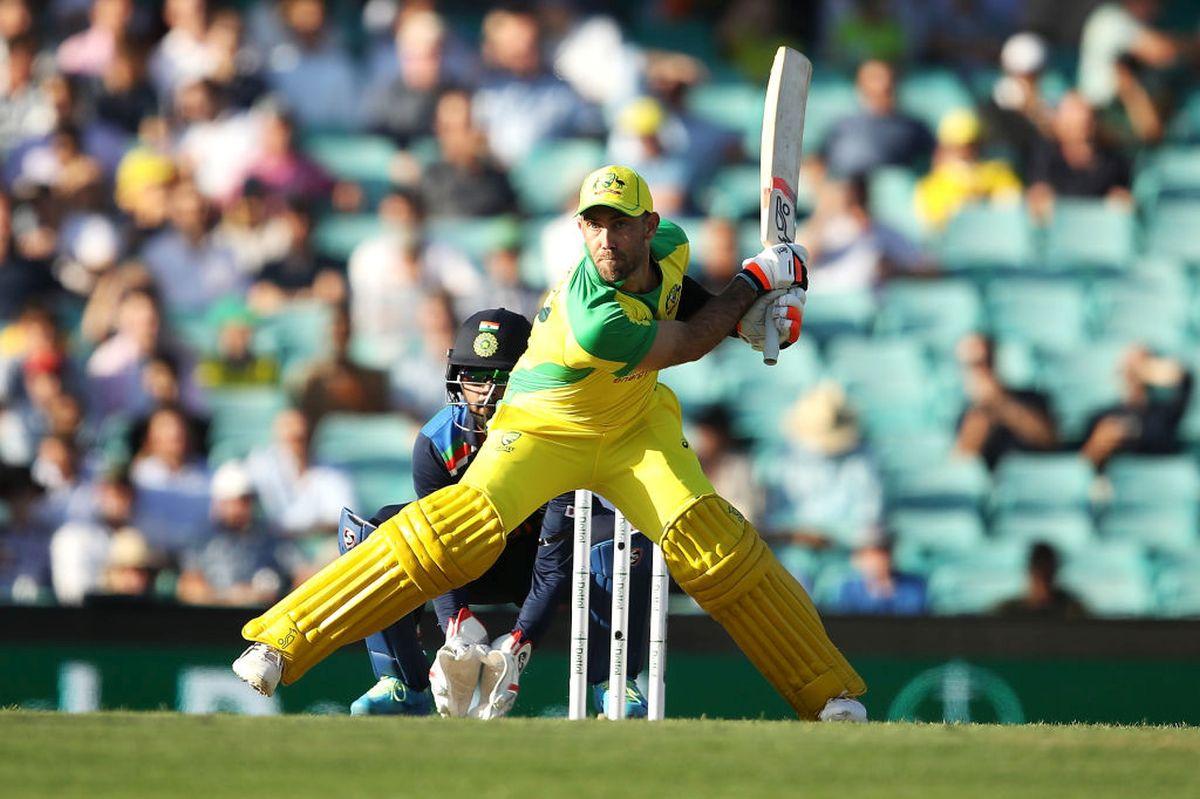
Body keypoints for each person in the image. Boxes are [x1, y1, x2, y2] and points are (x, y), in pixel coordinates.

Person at [233, 164, 867, 723]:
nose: (605, 240)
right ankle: (281, 641)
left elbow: (683, 301)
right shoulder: (593, 314)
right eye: (593, 225)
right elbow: (683, 343)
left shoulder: (671, 246)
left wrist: (749, 323)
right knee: (448, 533)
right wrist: (753, 287)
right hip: (542, 428)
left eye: (619, 225)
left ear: (649, 226)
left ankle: (829, 694)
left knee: (716, 548)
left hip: (634, 429)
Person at [339, 308, 653, 719]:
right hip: (470, 560)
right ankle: (400, 681)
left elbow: (554, 562)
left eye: (499, 380)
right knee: (382, 528)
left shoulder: (559, 437)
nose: (484, 397)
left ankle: (614, 683)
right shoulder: (438, 443)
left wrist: (521, 641)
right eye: (474, 377)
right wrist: (455, 625)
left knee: (618, 538)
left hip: (544, 562)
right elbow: (438, 545)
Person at [954, 333, 1057, 470]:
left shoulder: (1031, 398)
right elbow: (962, 462)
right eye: (973, 365)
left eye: (987, 361)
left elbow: (1049, 443)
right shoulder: (966, 412)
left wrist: (1000, 403)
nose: (983, 370)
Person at [819, 60, 935, 179]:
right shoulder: (841, 127)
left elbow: (936, 161)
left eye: (887, 82)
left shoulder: (914, 128)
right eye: (874, 78)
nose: (882, 84)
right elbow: (818, 162)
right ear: (860, 86)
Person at [1080, 346, 1193, 469]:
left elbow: (1186, 379)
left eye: (1141, 364)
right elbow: (1082, 465)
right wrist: (1100, 445)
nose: (1134, 370)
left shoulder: (1165, 413)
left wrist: (1150, 370)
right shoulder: (1101, 416)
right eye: (1129, 365)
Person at [1026, 92, 1132, 222]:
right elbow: (1038, 192)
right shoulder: (1045, 154)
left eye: (1085, 119)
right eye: (1071, 121)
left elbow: (1121, 196)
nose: (1081, 124)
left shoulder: (1112, 161)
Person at [914, 108, 1022, 231]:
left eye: (971, 145)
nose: (965, 152)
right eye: (956, 147)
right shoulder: (931, 186)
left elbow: (1011, 204)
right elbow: (933, 225)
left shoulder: (998, 172)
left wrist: (985, 198)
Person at [829, 534, 928, 616]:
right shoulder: (848, 590)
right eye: (868, 555)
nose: (875, 561)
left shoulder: (914, 587)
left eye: (882, 553)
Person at [994, 541, 1087, 619]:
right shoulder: (1007, 610)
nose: (1043, 579)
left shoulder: (1072, 609)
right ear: (1031, 572)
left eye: (1048, 572)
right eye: (1039, 569)